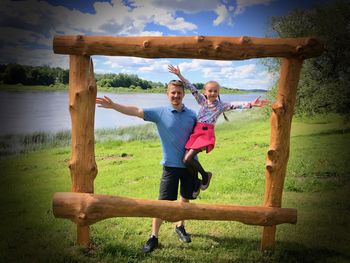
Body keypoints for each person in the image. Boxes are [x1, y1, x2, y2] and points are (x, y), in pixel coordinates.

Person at [96, 79, 200, 254]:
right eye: (172, 92)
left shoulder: (192, 115)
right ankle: (154, 237)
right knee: (161, 203)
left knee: (184, 197)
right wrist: (114, 105)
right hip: (170, 166)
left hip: (189, 165)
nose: (176, 95)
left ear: (184, 94)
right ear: (167, 94)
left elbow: (201, 133)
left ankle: (180, 227)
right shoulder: (159, 113)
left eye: (179, 92)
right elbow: (136, 111)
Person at [168, 64, 268, 198]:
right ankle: (198, 181)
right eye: (210, 91)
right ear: (205, 92)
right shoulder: (202, 101)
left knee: (188, 159)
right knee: (186, 161)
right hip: (196, 133)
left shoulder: (221, 106)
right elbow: (191, 87)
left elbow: (235, 105)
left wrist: (251, 104)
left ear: (218, 93)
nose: (213, 93)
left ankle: (204, 176)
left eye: (215, 91)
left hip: (206, 134)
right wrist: (179, 75)